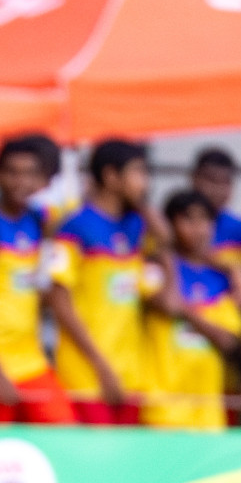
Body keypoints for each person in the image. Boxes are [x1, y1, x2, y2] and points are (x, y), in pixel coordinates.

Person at [0, 135, 75, 424]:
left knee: (66, 435)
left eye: (31, 174)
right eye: (12, 172)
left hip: (32, 364)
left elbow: (74, 207)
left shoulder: (41, 220)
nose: (20, 181)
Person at [45, 139, 156, 425]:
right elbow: (58, 300)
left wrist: (143, 204)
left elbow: (167, 243)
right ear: (111, 176)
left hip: (131, 372)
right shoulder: (74, 226)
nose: (145, 182)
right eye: (138, 173)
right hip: (88, 375)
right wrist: (101, 366)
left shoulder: (136, 226)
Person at [141, 191, 241, 430]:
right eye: (188, 220)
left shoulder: (220, 279)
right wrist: (167, 251)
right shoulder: (154, 268)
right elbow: (168, 304)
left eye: (205, 220)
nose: (198, 228)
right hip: (163, 409)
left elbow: (229, 341)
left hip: (208, 412)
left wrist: (187, 313)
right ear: (170, 225)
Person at [190, 147, 241, 276]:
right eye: (212, 180)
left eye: (225, 182)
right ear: (194, 178)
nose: (218, 190)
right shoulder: (173, 224)